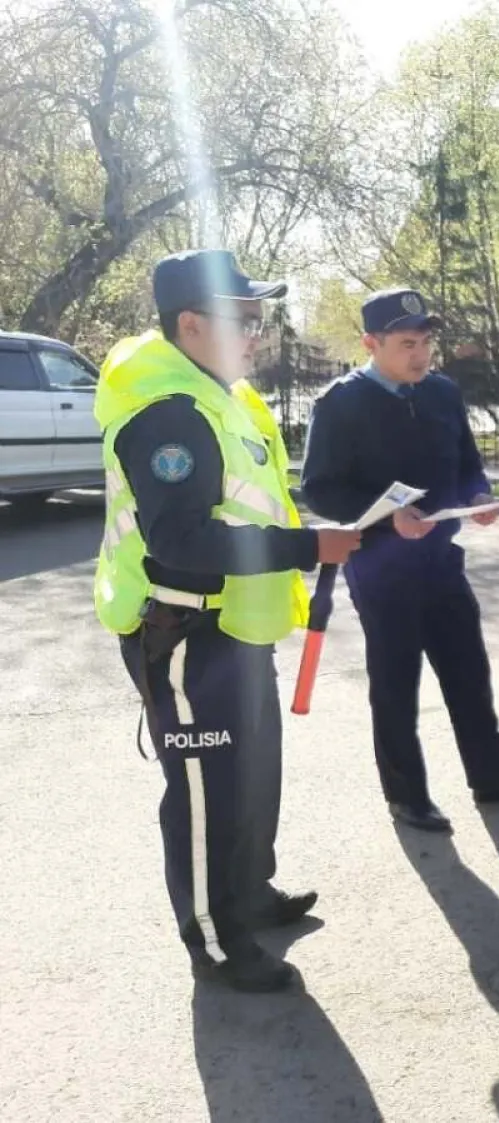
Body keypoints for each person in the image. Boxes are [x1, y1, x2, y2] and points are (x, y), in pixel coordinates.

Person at [95, 249, 363, 993]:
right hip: (180, 631)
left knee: (252, 774)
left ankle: (248, 894)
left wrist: (311, 536)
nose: (257, 334)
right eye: (243, 320)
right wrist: (308, 546)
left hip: (236, 626)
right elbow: (179, 543)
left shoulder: (223, 396)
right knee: (208, 794)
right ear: (190, 323)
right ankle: (215, 941)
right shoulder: (168, 414)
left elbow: (251, 504)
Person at [300, 288, 499, 834]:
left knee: (470, 675)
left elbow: (467, 463)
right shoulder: (340, 402)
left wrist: (479, 498)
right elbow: (320, 490)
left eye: (425, 342)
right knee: (396, 685)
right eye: (406, 344)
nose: (421, 356)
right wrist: (387, 516)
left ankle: (493, 780)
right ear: (371, 344)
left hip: (441, 562)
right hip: (381, 570)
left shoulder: (441, 392)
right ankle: (407, 796)